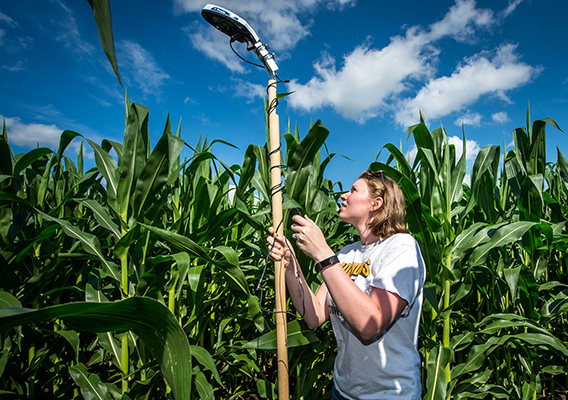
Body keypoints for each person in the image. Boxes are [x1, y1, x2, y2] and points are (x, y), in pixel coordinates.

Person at [267, 170, 426, 400]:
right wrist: (291, 266)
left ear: (376, 203)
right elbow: (313, 315)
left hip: (390, 394)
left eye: (353, 190)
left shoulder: (401, 247)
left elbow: (370, 324)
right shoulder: (346, 254)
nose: (343, 195)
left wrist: (323, 253)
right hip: (343, 392)